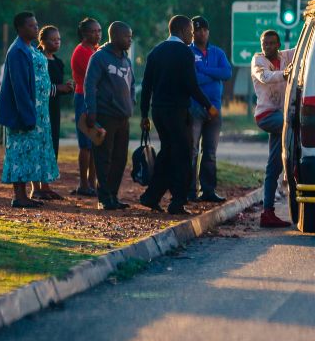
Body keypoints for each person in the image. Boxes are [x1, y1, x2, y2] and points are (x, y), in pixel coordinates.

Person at [139, 15, 219, 215]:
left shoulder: (155, 52)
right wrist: (208, 106)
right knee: (183, 156)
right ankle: (177, 202)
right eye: (191, 32)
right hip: (177, 111)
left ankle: (151, 196)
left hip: (158, 111)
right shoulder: (185, 52)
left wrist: (144, 115)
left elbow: (146, 86)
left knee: (167, 152)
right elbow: (191, 85)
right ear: (183, 31)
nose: (192, 36)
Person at [0, 11, 59, 208]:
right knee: (19, 152)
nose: (36, 28)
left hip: (37, 111)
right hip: (23, 112)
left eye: (36, 24)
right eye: (31, 25)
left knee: (30, 152)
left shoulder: (29, 48)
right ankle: (19, 196)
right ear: (20, 28)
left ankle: (30, 192)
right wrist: (27, 114)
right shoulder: (17, 51)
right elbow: (20, 87)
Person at [84, 21, 135, 210]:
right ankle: (104, 198)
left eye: (130, 37)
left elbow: (132, 84)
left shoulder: (126, 59)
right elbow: (90, 85)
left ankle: (113, 195)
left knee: (120, 159)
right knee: (103, 158)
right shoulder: (99, 58)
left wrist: (131, 103)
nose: (130, 40)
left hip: (123, 117)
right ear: (115, 36)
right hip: (105, 115)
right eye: (127, 36)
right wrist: (91, 110)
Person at [252, 29, 295, 228]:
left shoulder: (286, 56)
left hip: (281, 116)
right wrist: (285, 74)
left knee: (273, 166)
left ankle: (267, 213)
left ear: (278, 44)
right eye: (264, 44)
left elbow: (303, 48)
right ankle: (291, 169)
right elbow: (265, 77)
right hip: (267, 115)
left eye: (271, 43)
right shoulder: (258, 60)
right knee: (294, 125)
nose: (267, 47)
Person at [188, 16, 232, 203]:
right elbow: (192, 79)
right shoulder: (188, 52)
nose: (202, 33)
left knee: (210, 152)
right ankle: (189, 191)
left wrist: (204, 70)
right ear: (192, 32)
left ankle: (208, 190)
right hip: (194, 108)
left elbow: (227, 73)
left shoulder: (217, 52)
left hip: (215, 109)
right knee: (192, 151)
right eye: (197, 30)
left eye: (204, 29)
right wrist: (214, 74)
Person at [31, 25, 74, 200]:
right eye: (52, 40)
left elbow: (57, 87)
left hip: (53, 109)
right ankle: (36, 188)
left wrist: (67, 88)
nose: (57, 42)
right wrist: (59, 88)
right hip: (39, 108)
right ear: (42, 41)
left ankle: (46, 186)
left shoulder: (58, 62)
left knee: (51, 145)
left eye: (58, 40)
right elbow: (37, 87)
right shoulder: (37, 59)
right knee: (38, 146)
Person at [70, 17, 101, 197]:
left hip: (94, 98)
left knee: (95, 142)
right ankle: (83, 183)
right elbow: (95, 77)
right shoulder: (81, 51)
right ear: (84, 33)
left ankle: (92, 183)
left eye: (99, 31)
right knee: (85, 144)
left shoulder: (95, 50)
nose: (97, 34)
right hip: (83, 97)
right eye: (93, 31)